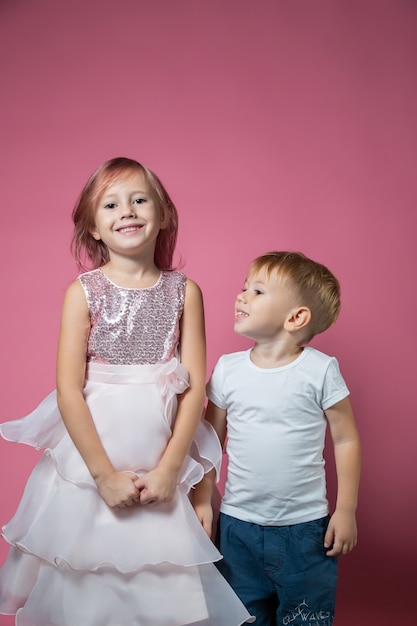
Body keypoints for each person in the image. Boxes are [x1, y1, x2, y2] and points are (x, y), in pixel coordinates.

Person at [0, 157, 254, 625]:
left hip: (160, 449)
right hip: (94, 453)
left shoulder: (184, 291)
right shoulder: (83, 292)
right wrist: (103, 477)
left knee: (161, 570)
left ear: (162, 214)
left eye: (139, 199)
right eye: (111, 204)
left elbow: (193, 389)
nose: (127, 211)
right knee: (85, 563)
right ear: (93, 228)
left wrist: (171, 469)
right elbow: (68, 391)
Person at [193, 251, 361, 626]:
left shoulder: (320, 370)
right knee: (241, 618)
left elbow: (346, 439)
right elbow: (209, 440)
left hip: (306, 532)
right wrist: (202, 498)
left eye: (257, 291)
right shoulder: (228, 370)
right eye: (243, 288)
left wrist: (346, 510)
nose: (241, 296)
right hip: (238, 528)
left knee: (306, 620)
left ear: (296, 317)